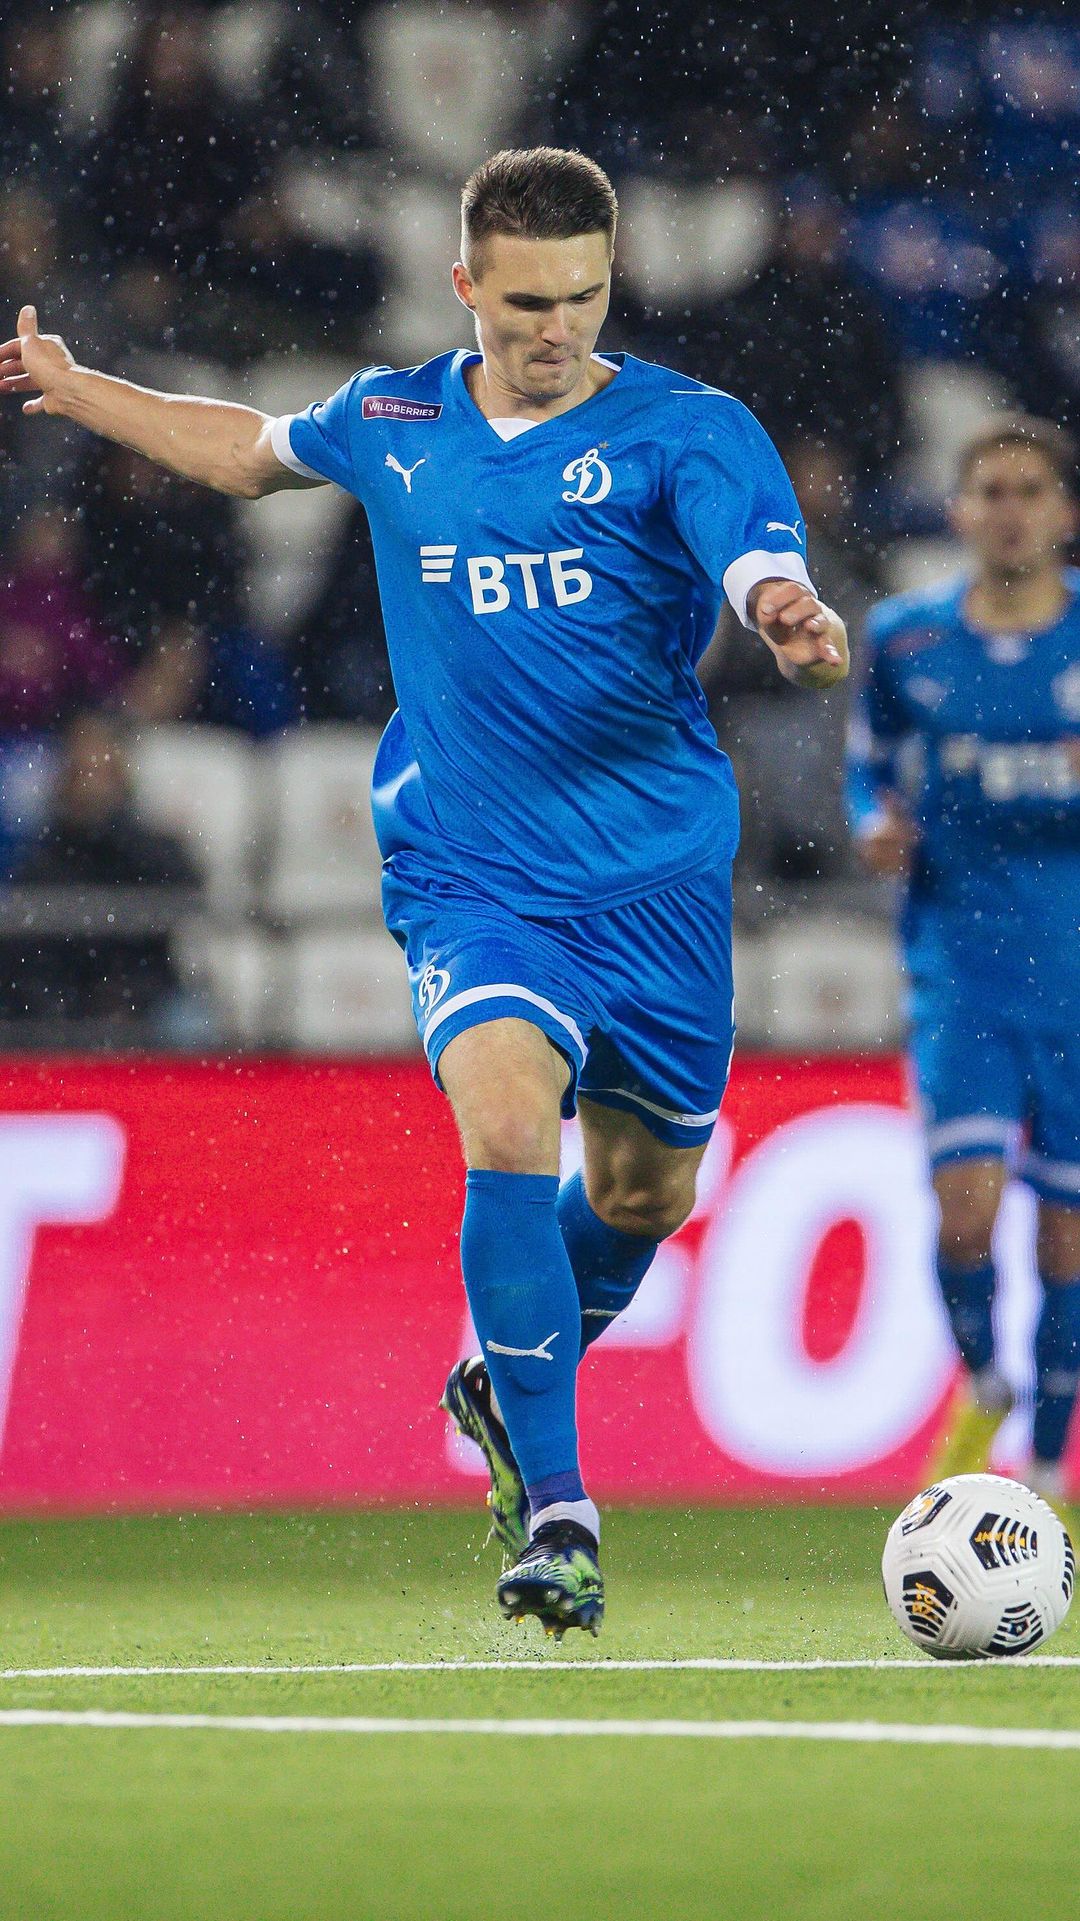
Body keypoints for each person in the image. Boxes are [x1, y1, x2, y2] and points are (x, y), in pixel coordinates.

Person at [1, 146, 848, 1635]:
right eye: (526, 302)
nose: (556, 328)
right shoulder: (392, 421)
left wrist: (784, 609)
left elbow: (754, 554)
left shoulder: (686, 429)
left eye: (582, 297)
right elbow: (247, 448)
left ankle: (502, 1378)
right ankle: (562, 1511)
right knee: (508, 1121)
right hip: (474, 871)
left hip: (655, 877)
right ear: (466, 285)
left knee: (646, 1193)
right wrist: (84, 391)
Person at [849, 417, 1080, 1506]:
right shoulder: (905, 639)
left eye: (1031, 490)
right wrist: (873, 825)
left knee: (1068, 1239)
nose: (1010, 510)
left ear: (1064, 512)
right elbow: (867, 769)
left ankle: (1048, 1457)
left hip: (1074, 972)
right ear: (958, 511)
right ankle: (985, 1378)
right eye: (991, 490)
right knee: (967, 1211)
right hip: (962, 967)